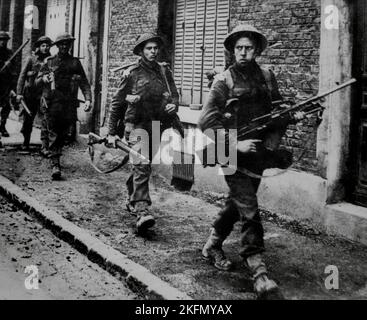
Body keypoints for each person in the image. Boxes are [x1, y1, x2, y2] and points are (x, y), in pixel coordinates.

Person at [198, 25, 305, 298]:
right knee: (250, 209)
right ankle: (259, 273)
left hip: (258, 154)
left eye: (248, 48)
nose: (243, 53)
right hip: (231, 154)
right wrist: (235, 143)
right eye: (238, 48)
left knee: (237, 204)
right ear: (233, 51)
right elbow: (205, 122)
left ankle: (212, 244)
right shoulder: (223, 81)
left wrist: (293, 115)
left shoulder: (268, 77)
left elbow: (278, 109)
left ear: (256, 50)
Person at [107, 33, 180, 235]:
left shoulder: (164, 72)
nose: (153, 51)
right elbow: (117, 103)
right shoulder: (132, 73)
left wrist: (174, 105)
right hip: (136, 125)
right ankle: (141, 211)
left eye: (155, 48)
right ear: (141, 51)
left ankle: (133, 195)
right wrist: (112, 132)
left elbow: (175, 94)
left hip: (157, 125)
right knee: (142, 164)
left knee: (143, 165)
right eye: (148, 48)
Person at [36, 32, 92, 180]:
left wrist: (88, 99)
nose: (64, 46)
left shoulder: (75, 63)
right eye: (61, 44)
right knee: (54, 131)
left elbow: (84, 83)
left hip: (69, 104)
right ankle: (56, 164)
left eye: (67, 44)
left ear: (70, 45)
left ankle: (56, 154)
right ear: (57, 46)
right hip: (52, 103)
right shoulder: (49, 62)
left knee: (64, 133)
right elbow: (37, 81)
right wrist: (44, 78)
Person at [16, 36, 52, 153]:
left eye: (47, 46)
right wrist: (19, 93)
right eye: (43, 46)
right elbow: (22, 76)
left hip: (44, 93)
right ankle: (26, 142)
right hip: (30, 93)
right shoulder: (31, 59)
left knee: (45, 120)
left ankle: (44, 146)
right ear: (39, 47)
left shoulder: (51, 60)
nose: (45, 48)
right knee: (28, 119)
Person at [0, 31, 16, 141]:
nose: (2, 42)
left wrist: (9, 66)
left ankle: (2, 126)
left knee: (6, 107)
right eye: (1, 40)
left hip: (5, 84)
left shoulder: (10, 53)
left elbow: (14, 70)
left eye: (5, 40)